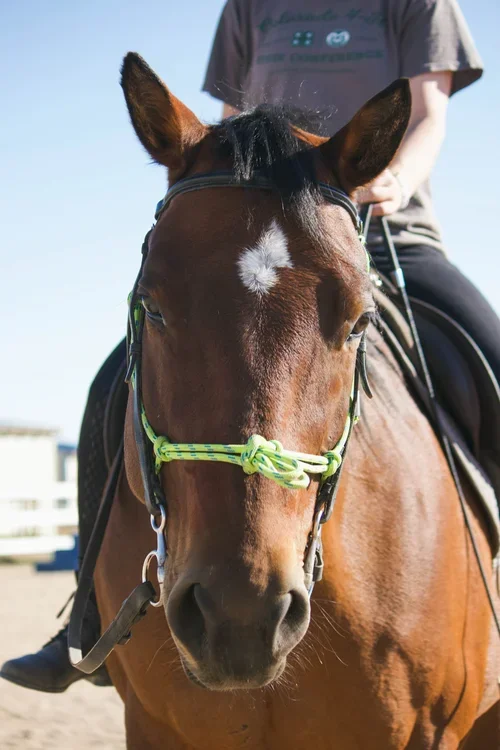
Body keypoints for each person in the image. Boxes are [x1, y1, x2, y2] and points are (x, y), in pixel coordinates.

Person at [2, 0, 499, 694]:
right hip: (257, 221)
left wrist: (394, 179)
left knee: (491, 352)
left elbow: (426, 110)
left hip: (383, 222)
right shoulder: (249, 8)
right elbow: (233, 123)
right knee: (110, 382)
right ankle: (86, 619)